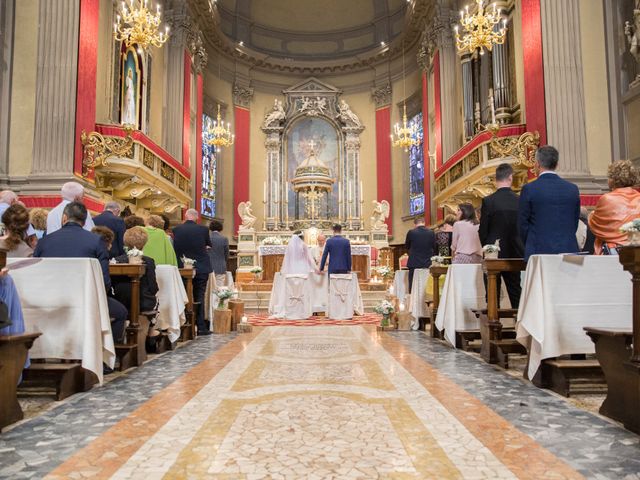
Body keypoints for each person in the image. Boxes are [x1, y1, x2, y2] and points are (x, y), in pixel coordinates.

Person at [34, 202, 127, 343]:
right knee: (121, 313)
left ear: (64, 218)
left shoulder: (44, 242)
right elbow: (104, 280)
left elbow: (37, 273)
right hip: (86, 298)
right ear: (84, 222)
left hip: (50, 300)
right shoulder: (96, 242)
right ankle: (102, 359)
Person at [518, 146, 580, 261]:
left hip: (538, 251)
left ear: (537, 164)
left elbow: (522, 224)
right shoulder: (572, 189)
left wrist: (532, 241)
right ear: (557, 165)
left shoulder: (529, 189)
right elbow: (574, 222)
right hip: (569, 250)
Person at [478, 163, 524, 307]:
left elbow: (483, 230)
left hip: (493, 254)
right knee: (515, 291)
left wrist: (487, 247)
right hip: (515, 252)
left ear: (495, 179)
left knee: (492, 293)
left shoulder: (488, 201)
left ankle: (493, 324)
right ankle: (519, 324)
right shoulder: (519, 200)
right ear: (510, 177)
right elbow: (523, 227)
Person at [172, 209, 213, 335]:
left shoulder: (176, 229)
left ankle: (184, 325)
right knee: (199, 295)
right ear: (196, 218)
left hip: (183, 267)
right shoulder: (203, 230)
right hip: (201, 266)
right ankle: (200, 327)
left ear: (185, 216)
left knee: (184, 295)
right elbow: (209, 245)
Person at [589, 160, 640, 254]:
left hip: (614, 251)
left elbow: (595, 225)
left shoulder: (607, 199)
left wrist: (591, 215)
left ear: (613, 179)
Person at [113, 227, 159, 313]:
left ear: (125, 242)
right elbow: (153, 287)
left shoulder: (116, 260)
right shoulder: (149, 261)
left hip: (120, 302)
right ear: (145, 242)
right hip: (144, 302)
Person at [404, 217, 436, 293]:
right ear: (424, 223)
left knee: (413, 285)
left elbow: (407, 246)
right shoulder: (431, 232)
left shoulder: (411, 232)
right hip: (428, 263)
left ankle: (412, 301)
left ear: (415, 224)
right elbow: (434, 247)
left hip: (414, 262)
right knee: (427, 283)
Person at [208, 220, 229, 287]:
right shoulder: (224, 239)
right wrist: (224, 261)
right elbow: (226, 253)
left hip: (209, 265)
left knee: (209, 287)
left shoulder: (208, 238)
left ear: (210, 228)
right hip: (220, 265)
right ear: (220, 228)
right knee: (220, 287)